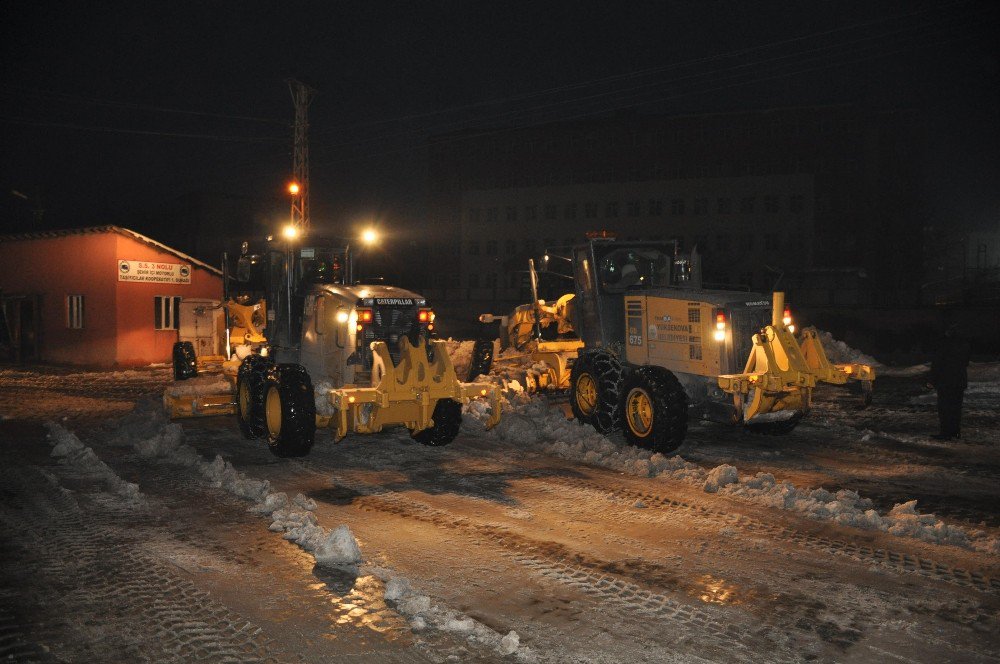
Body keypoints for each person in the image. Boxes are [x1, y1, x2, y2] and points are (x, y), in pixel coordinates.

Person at [928, 324, 971, 440]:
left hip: (946, 381)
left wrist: (932, 380)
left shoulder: (944, 345)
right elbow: (966, 362)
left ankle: (945, 432)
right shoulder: (964, 345)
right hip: (959, 381)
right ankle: (955, 432)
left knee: (945, 408)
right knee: (956, 408)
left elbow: (937, 364)